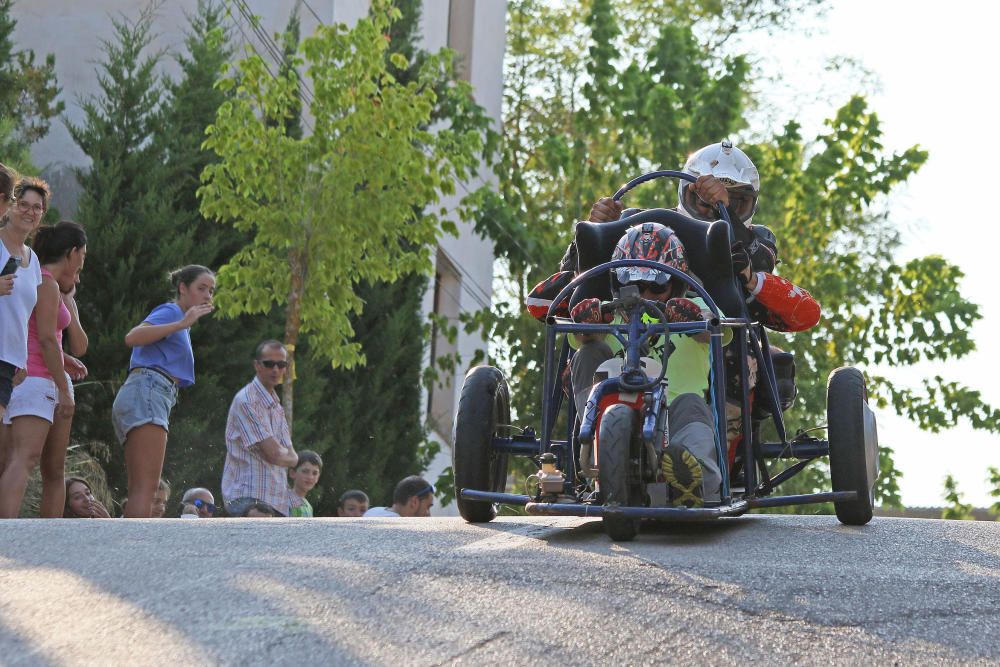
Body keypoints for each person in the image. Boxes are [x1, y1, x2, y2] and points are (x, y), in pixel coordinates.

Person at [569, 223, 731, 507]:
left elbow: (717, 329)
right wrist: (587, 320)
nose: (645, 294)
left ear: (675, 283)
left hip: (674, 419)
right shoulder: (609, 314)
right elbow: (583, 336)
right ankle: (592, 454)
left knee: (693, 403)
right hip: (613, 410)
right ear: (618, 284)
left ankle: (693, 482)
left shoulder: (694, 308)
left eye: (656, 285)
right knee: (587, 353)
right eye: (635, 284)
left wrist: (694, 319)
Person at [0, 221, 88, 518]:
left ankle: (40, 536)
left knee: (39, 465)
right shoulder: (45, 281)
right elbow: (48, 339)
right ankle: (8, 533)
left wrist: (70, 301)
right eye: (83, 254)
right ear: (73, 252)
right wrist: (64, 388)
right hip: (38, 380)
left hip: (26, 375)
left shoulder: (39, 279)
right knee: (24, 460)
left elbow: (53, 339)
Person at [112, 265, 215, 518]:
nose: (207, 296)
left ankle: (131, 548)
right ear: (182, 287)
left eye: (211, 291)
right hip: (148, 392)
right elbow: (133, 337)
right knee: (147, 490)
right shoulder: (171, 312)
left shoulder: (180, 322)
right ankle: (137, 548)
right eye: (201, 288)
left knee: (140, 488)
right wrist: (181, 323)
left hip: (145, 393)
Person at [222, 340, 297, 518]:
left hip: (276, 501)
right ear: (257, 365)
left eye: (281, 364)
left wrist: (286, 456)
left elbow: (292, 455)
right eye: (269, 364)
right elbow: (276, 455)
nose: (275, 369)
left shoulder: (277, 406)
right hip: (248, 499)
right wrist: (286, 456)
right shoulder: (247, 400)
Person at [0, 176, 45, 424]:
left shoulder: (33, 260)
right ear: (10, 205)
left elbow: (23, 315)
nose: (30, 211)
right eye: (23, 204)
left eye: (37, 207)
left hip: (8, 363)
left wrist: (22, 357)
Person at [363, 475, 434, 517]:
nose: (429, 515)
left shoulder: (373, 511)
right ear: (414, 502)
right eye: (427, 507)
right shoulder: (402, 530)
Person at [289, 450, 322, 518]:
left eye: (315, 473)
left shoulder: (308, 507)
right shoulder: (285, 501)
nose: (310, 477)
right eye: (305, 471)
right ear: (292, 473)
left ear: (318, 478)